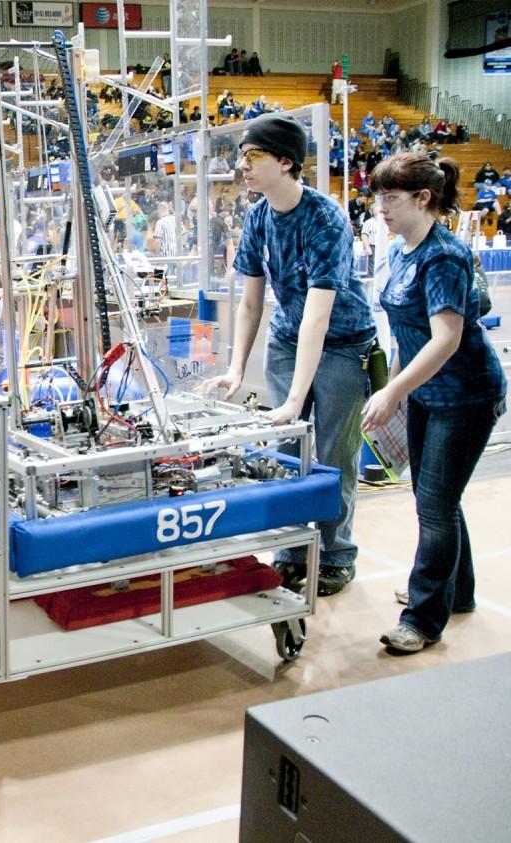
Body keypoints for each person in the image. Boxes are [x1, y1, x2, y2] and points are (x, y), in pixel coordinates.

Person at [200, 114, 376, 596]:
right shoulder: (257, 216)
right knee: (285, 452)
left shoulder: (326, 218)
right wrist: (236, 368)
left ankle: (337, 553)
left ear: (285, 161)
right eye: (241, 156)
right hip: (287, 338)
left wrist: (297, 398)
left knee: (335, 452)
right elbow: (252, 299)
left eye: (253, 156)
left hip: (342, 343)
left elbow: (320, 317)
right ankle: (293, 548)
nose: (243, 166)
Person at [362, 153, 506, 654]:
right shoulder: (402, 249)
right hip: (426, 393)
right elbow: (409, 332)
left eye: (392, 198)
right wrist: (399, 387)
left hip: (465, 397)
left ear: (424, 199)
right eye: (378, 197)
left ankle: (422, 618)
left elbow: (445, 338)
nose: (381, 208)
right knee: (434, 499)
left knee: (436, 506)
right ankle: (455, 591)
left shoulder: (443, 256)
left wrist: (392, 390)